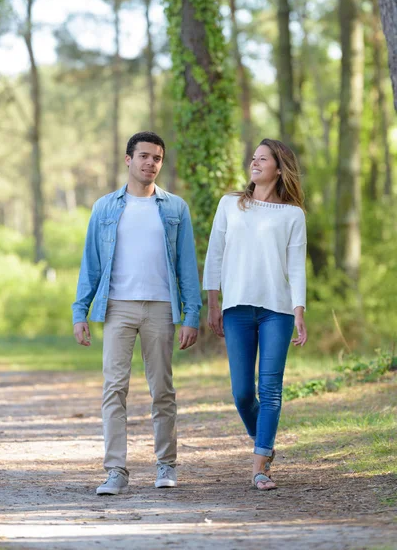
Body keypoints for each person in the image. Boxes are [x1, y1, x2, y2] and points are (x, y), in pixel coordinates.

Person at [72, 131, 201, 494]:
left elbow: (187, 267)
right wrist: (80, 311)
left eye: (157, 158)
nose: (150, 163)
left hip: (161, 307)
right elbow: (91, 265)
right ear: (128, 160)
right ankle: (116, 470)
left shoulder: (175, 208)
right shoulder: (105, 207)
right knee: (114, 389)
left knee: (162, 389)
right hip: (118, 308)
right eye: (143, 156)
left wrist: (191, 314)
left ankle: (166, 465)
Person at [203, 138, 307, 490]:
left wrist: (299, 310)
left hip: (277, 311)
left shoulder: (293, 215)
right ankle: (264, 444)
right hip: (237, 309)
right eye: (253, 158)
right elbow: (214, 254)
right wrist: (213, 303)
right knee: (243, 393)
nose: (255, 162)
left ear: (280, 168)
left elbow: (296, 267)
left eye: (263, 159)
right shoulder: (230, 204)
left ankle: (260, 465)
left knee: (271, 389)